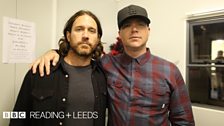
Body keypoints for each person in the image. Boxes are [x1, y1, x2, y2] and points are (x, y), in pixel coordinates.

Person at [31, 5, 195, 126]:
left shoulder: (169, 71)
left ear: (148, 31)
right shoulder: (105, 64)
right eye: (126, 26)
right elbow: (79, 56)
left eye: (140, 25)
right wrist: (54, 53)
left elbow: (184, 121)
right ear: (120, 34)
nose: (134, 30)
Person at [9, 10, 107, 126]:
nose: (85, 36)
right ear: (68, 36)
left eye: (91, 31)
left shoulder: (103, 75)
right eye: (79, 29)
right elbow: (18, 117)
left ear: (98, 38)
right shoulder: (41, 70)